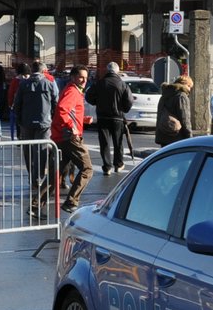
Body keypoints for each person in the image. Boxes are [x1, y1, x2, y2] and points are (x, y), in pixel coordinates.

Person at [13, 61, 59, 212]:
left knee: (28, 150)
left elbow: (17, 104)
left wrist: (20, 120)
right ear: (43, 70)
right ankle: (39, 178)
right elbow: (55, 102)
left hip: (27, 122)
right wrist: (51, 117)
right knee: (42, 150)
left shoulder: (24, 84)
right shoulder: (50, 84)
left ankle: (31, 176)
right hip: (44, 122)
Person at [51, 66, 92, 213]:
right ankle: (71, 202)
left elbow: (70, 112)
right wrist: (72, 127)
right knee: (87, 168)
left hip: (62, 136)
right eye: (81, 77)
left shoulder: (72, 90)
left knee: (56, 174)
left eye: (86, 78)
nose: (84, 80)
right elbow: (62, 109)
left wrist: (85, 120)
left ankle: (35, 205)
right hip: (69, 137)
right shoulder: (73, 91)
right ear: (73, 77)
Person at [93, 60, 133, 174]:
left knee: (104, 143)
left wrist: (97, 103)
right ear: (117, 71)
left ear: (107, 70)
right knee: (118, 142)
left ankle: (107, 167)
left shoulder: (100, 83)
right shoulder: (122, 84)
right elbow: (129, 100)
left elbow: (89, 96)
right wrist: (123, 109)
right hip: (117, 117)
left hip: (102, 117)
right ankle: (118, 164)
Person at [154, 74, 194, 146]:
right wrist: (189, 136)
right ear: (186, 85)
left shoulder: (164, 95)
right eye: (190, 86)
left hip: (163, 134)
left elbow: (159, 115)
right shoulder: (181, 96)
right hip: (177, 137)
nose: (190, 89)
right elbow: (185, 119)